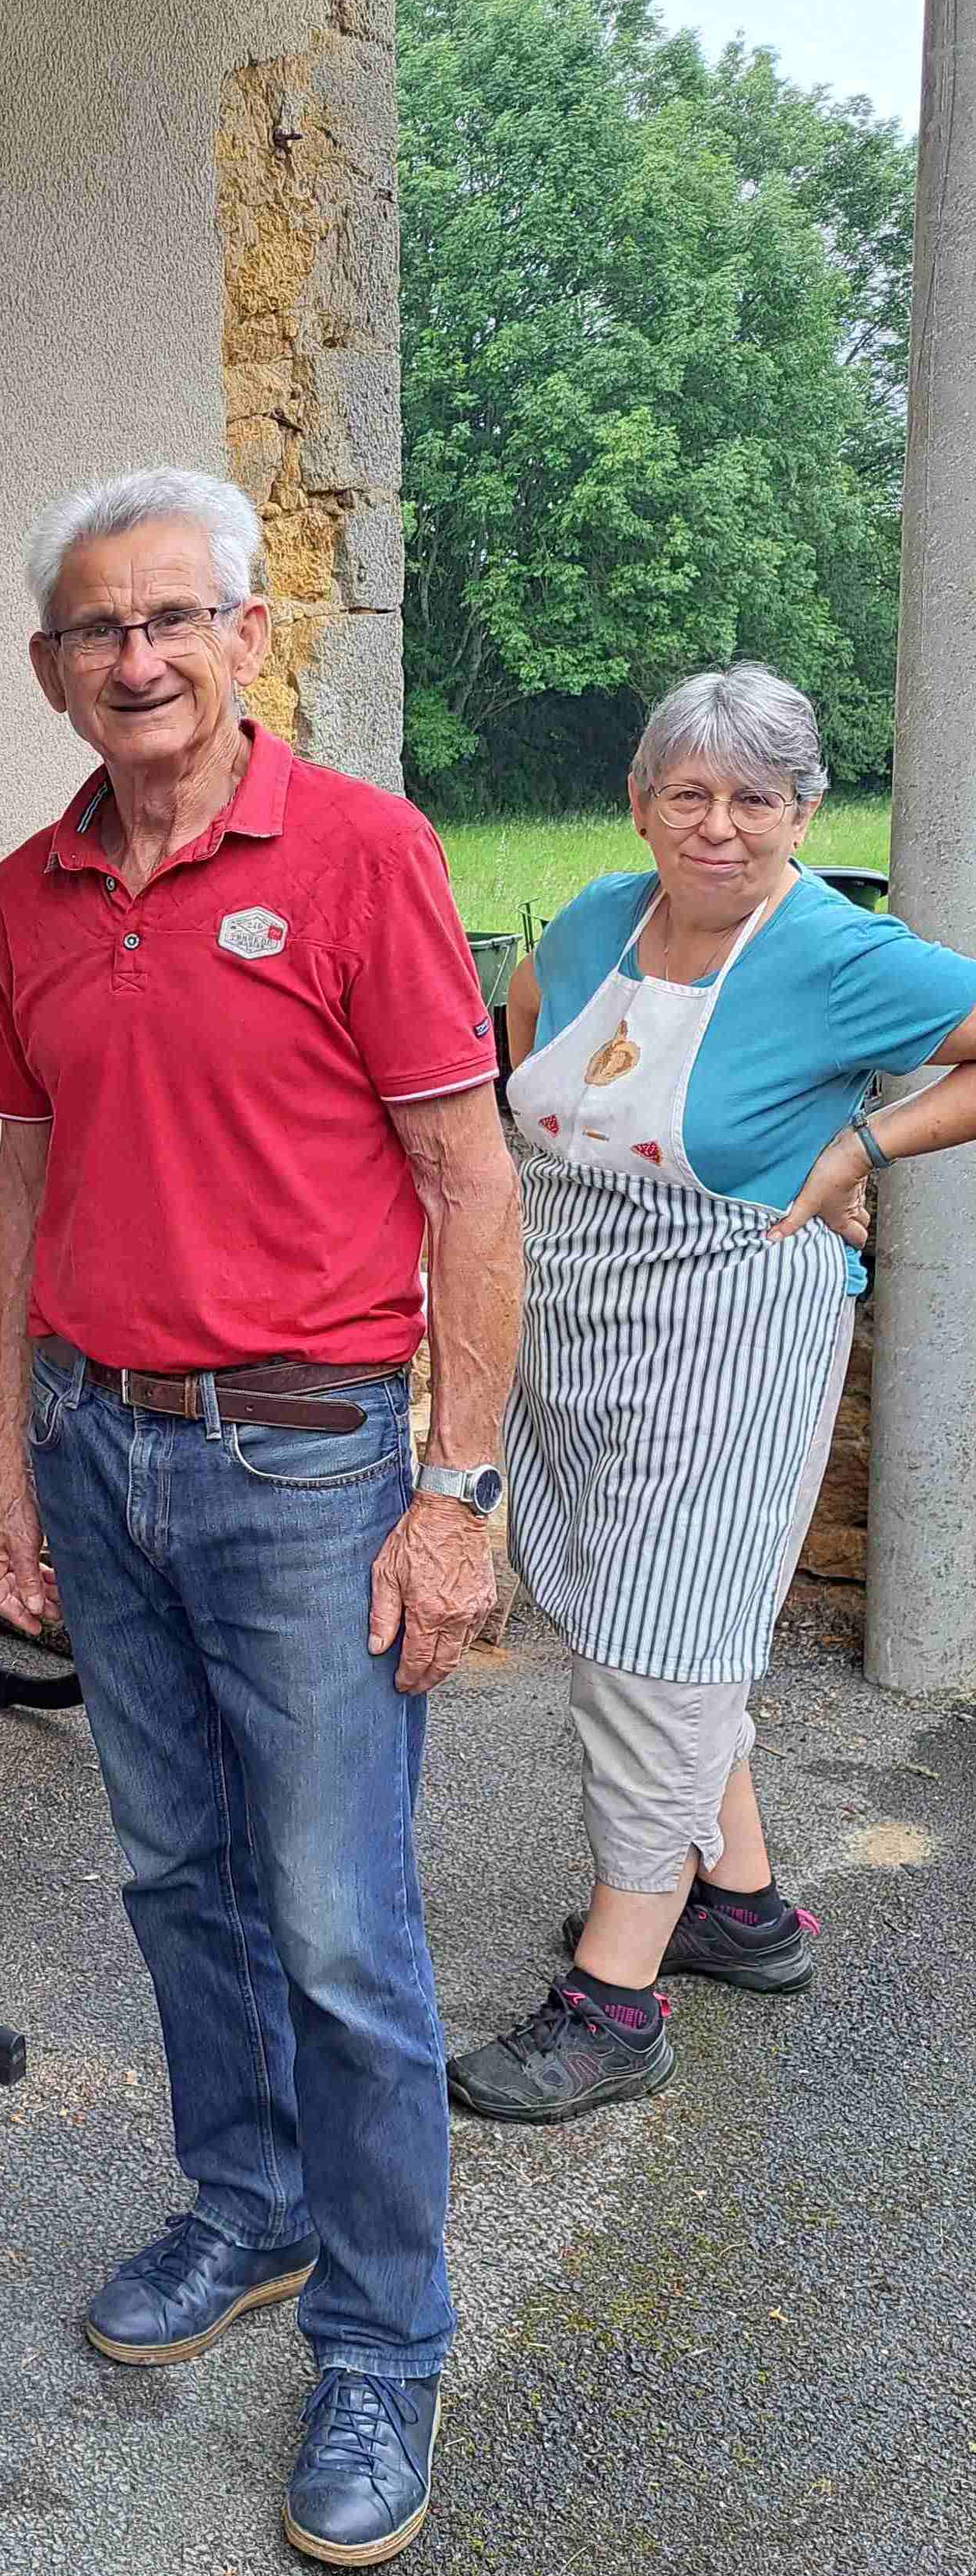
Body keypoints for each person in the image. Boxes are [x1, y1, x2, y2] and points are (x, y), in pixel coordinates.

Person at [0, 464, 520, 2570]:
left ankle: (384, 2344)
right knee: (175, 1868)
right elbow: (22, 1182)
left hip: (301, 1463)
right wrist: (12, 1458)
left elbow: (470, 1186)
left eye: (173, 620)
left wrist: (449, 1497)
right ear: (50, 671)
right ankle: (252, 2202)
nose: (137, 660)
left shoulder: (360, 857)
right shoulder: (25, 892)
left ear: (247, 637)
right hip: (102, 1451)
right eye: (98, 632)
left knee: (340, 1926)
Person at [448, 663, 976, 2123]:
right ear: (641, 805)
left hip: (732, 1335)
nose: (721, 826)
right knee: (641, 1617)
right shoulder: (596, 920)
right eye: (690, 794)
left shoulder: (840, 954)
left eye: (757, 799)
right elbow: (525, 1047)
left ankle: (616, 2002)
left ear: (805, 811)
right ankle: (738, 1905)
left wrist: (864, 1152)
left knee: (663, 1645)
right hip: (579, 1326)